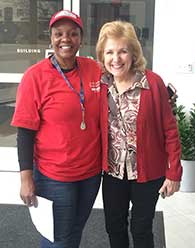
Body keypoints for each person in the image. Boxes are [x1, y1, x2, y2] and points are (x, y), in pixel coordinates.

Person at [11, 9, 108, 248]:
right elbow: (25, 132)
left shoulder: (94, 69)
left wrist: (158, 94)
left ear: (80, 39)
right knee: (58, 238)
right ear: (51, 38)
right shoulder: (35, 77)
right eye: (59, 34)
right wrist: (26, 178)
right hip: (54, 175)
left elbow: (124, 80)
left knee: (75, 230)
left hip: (90, 173)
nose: (66, 39)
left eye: (73, 33)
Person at [96, 20, 182, 248]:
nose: (116, 58)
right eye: (110, 52)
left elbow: (170, 130)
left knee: (141, 228)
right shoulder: (101, 84)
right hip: (113, 173)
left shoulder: (152, 83)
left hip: (147, 173)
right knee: (114, 227)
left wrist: (174, 173)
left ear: (133, 53)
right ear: (102, 55)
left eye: (123, 51)